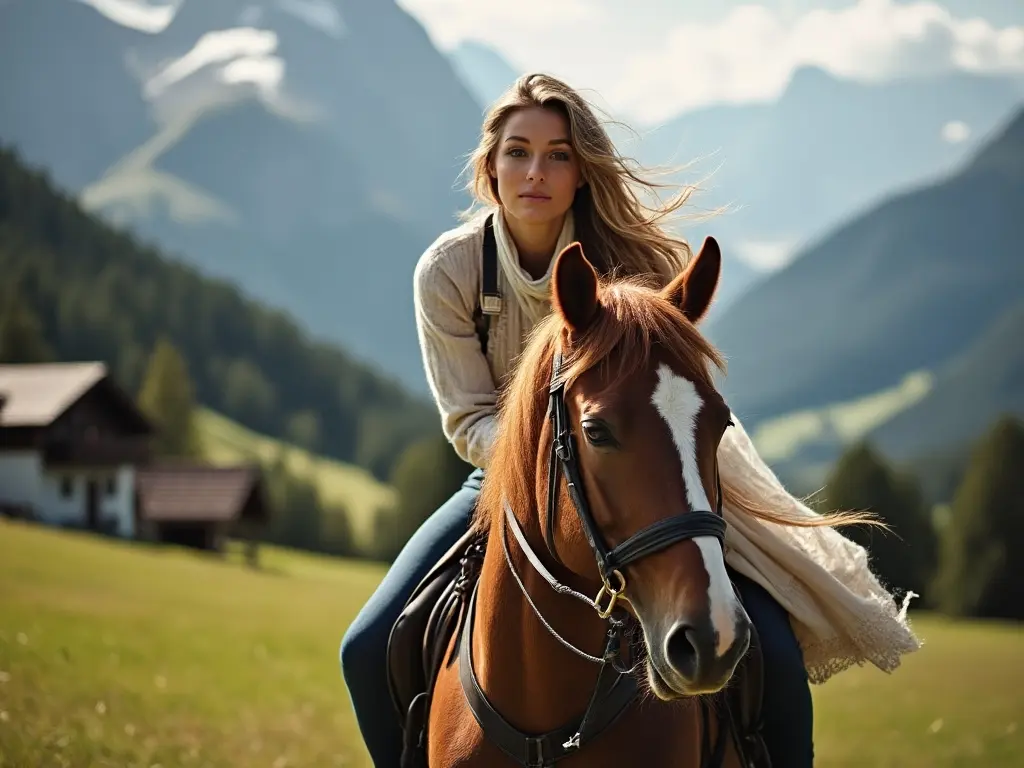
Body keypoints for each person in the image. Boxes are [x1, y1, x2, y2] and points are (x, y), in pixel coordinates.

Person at [340, 73, 920, 768]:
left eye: (558, 155)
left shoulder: (630, 267)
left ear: (581, 173)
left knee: (775, 662)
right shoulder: (450, 271)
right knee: (367, 647)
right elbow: (467, 422)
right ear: (489, 166)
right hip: (502, 479)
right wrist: (546, 468)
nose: (536, 171)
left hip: (643, 481)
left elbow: (670, 405)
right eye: (518, 152)